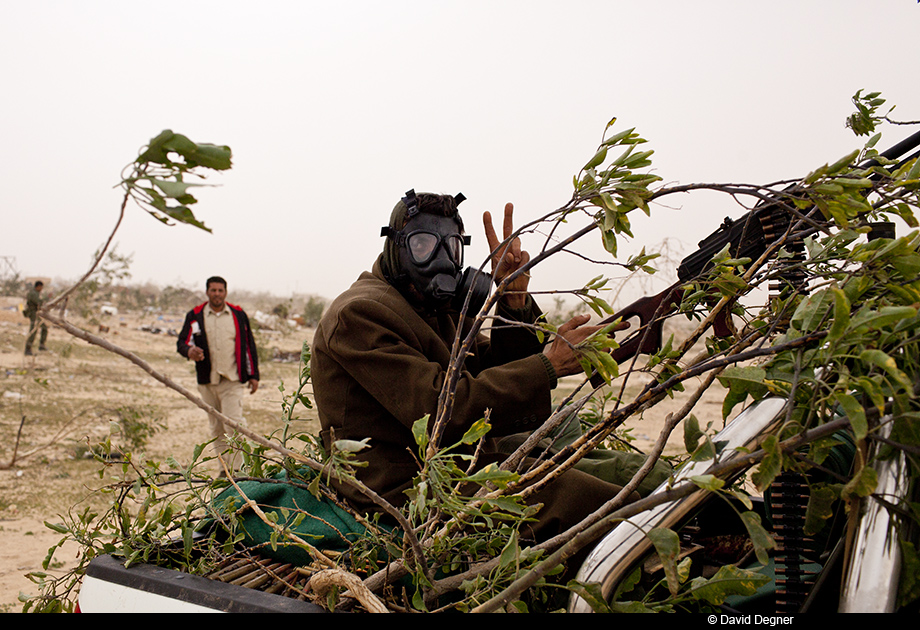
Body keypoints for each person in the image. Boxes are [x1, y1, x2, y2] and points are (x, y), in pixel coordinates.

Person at [311, 190, 667, 547]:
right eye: (422, 246)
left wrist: (513, 301)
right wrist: (549, 365)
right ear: (395, 248)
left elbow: (492, 368)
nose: (441, 260)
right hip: (402, 486)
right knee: (576, 494)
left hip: (454, 462)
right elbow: (439, 410)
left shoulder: (433, 308)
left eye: (451, 247)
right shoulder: (359, 314)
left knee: (615, 469)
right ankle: (658, 544)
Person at [177, 276, 260, 469]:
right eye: (213, 290)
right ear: (207, 292)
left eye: (220, 290)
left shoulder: (238, 314)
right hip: (207, 381)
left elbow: (249, 346)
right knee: (216, 427)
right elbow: (182, 343)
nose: (216, 294)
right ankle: (226, 470)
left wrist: (254, 375)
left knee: (234, 424)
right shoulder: (195, 315)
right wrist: (190, 352)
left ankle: (241, 471)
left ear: (225, 292)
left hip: (232, 379)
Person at [23, 280, 49, 356]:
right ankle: (28, 348)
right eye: (41, 287)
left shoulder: (35, 293)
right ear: (38, 286)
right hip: (33, 314)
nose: (41, 289)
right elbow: (38, 302)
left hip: (36, 314)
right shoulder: (33, 293)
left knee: (44, 328)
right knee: (33, 331)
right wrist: (46, 299)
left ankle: (41, 345)